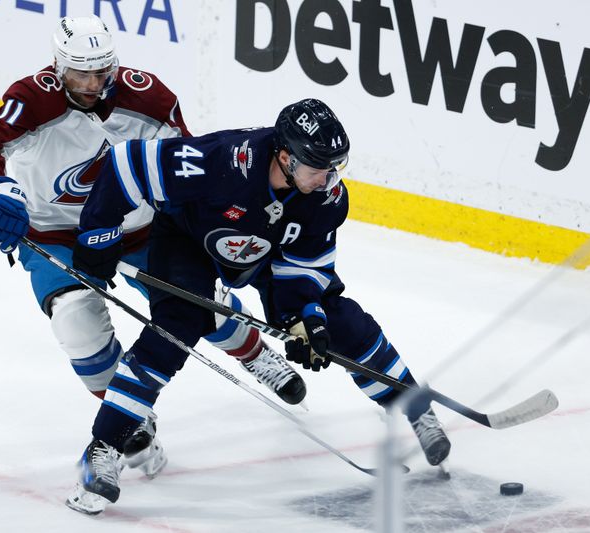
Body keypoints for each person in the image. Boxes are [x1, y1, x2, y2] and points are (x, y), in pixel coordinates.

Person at [0, 15, 306, 486]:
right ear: (58, 67)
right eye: (81, 73)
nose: (94, 83)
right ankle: (129, 422)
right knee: (76, 320)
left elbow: (186, 166)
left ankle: (254, 352)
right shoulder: (32, 99)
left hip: (137, 225)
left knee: (199, 303)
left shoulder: (149, 98)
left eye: (102, 71)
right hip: (56, 232)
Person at [69, 98, 452, 513]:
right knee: (175, 329)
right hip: (188, 243)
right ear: (285, 158)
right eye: (318, 169)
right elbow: (128, 163)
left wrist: (305, 318)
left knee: (341, 323)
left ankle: (413, 405)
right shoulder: (217, 163)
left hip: (267, 254)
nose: (328, 180)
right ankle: (102, 450)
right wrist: (98, 231)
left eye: (334, 169)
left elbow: (306, 267)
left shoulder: (324, 198)